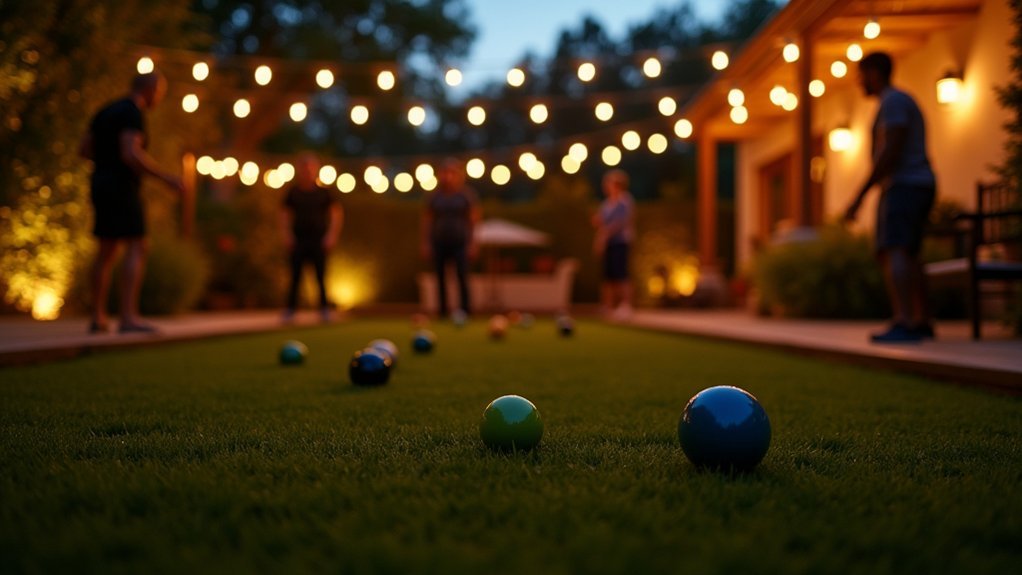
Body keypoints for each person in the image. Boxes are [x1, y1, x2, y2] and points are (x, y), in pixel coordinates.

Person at [78, 71, 184, 334]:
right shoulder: (132, 113)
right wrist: (166, 178)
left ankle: (98, 316)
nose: (159, 97)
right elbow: (130, 153)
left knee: (106, 249)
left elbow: (84, 149)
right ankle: (128, 318)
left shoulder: (106, 111)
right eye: (160, 92)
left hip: (99, 181)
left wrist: (104, 164)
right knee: (138, 245)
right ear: (151, 89)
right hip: (120, 186)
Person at [844, 51, 937, 343]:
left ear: (874, 72)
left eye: (861, 75)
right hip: (918, 183)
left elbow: (890, 150)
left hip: (905, 184)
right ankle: (921, 321)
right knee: (910, 253)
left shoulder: (893, 101)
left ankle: (905, 322)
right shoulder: (896, 100)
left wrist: (860, 195)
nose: (859, 82)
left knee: (895, 250)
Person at [280, 153, 343, 323]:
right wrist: (287, 235)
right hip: (298, 240)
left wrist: (331, 236)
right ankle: (290, 310)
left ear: (315, 170)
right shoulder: (293, 192)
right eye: (304, 168)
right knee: (295, 277)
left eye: (310, 168)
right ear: (300, 170)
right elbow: (285, 214)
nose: (307, 171)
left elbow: (336, 214)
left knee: (321, 276)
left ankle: (324, 310)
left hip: (318, 240)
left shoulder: (324, 192)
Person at [420, 159, 480, 319]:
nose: (448, 176)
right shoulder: (434, 197)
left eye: (451, 173)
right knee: (440, 278)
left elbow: (473, 220)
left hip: (460, 242)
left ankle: (466, 311)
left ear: (458, 175)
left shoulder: (466, 196)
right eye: (445, 173)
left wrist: (473, 243)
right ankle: (442, 312)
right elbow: (428, 220)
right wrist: (426, 242)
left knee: (462, 276)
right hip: (439, 242)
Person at [592, 169, 635, 320]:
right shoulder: (606, 204)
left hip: (620, 243)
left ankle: (625, 306)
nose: (606, 186)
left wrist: (605, 235)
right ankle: (608, 307)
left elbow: (620, 223)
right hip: (608, 244)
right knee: (608, 276)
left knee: (621, 274)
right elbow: (601, 222)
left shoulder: (625, 201)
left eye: (609, 183)